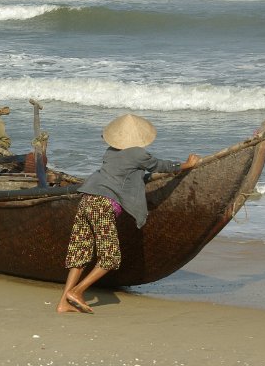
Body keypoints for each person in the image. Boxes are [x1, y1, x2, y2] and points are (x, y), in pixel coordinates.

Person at [56, 114, 199, 314]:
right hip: (102, 204)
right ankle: (77, 291)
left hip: (87, 199)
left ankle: (63, 303)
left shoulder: (110, 152)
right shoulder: (138, 154)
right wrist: (186, 165)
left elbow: (129, 173)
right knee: (110, 258)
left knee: (80, 254)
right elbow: (161, 165)